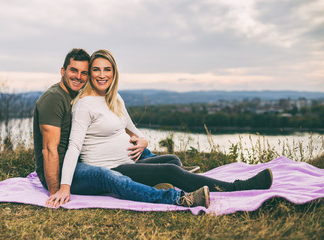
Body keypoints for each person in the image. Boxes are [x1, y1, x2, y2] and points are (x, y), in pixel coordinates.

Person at [47, 49, 272, 207]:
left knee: (173, 160)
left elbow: (133, 130)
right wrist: (64, 187)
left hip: (128, 162)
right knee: (171, 170)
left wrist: (142, 140)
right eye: (96, 70)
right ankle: (234, 187)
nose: (102, 75)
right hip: (112, 169)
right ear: (90, 74)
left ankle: (178, 178)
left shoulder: (114, 99)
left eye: (107, 69)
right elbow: (74, 147)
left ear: (114, 72)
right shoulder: (85, 104)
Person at [34, 48, 209, 209]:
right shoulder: (54, 99)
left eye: (84, 73)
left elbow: (126, 127)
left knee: (171, 162)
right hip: (65, 169)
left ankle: (170, 176)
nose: (78, 76)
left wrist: (142, 140)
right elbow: (50, 149)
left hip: (85, 162)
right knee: (108, 176)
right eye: (73, 71)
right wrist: (58, 190)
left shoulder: (80, 94)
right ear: (63, 71)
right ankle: (176, 197)